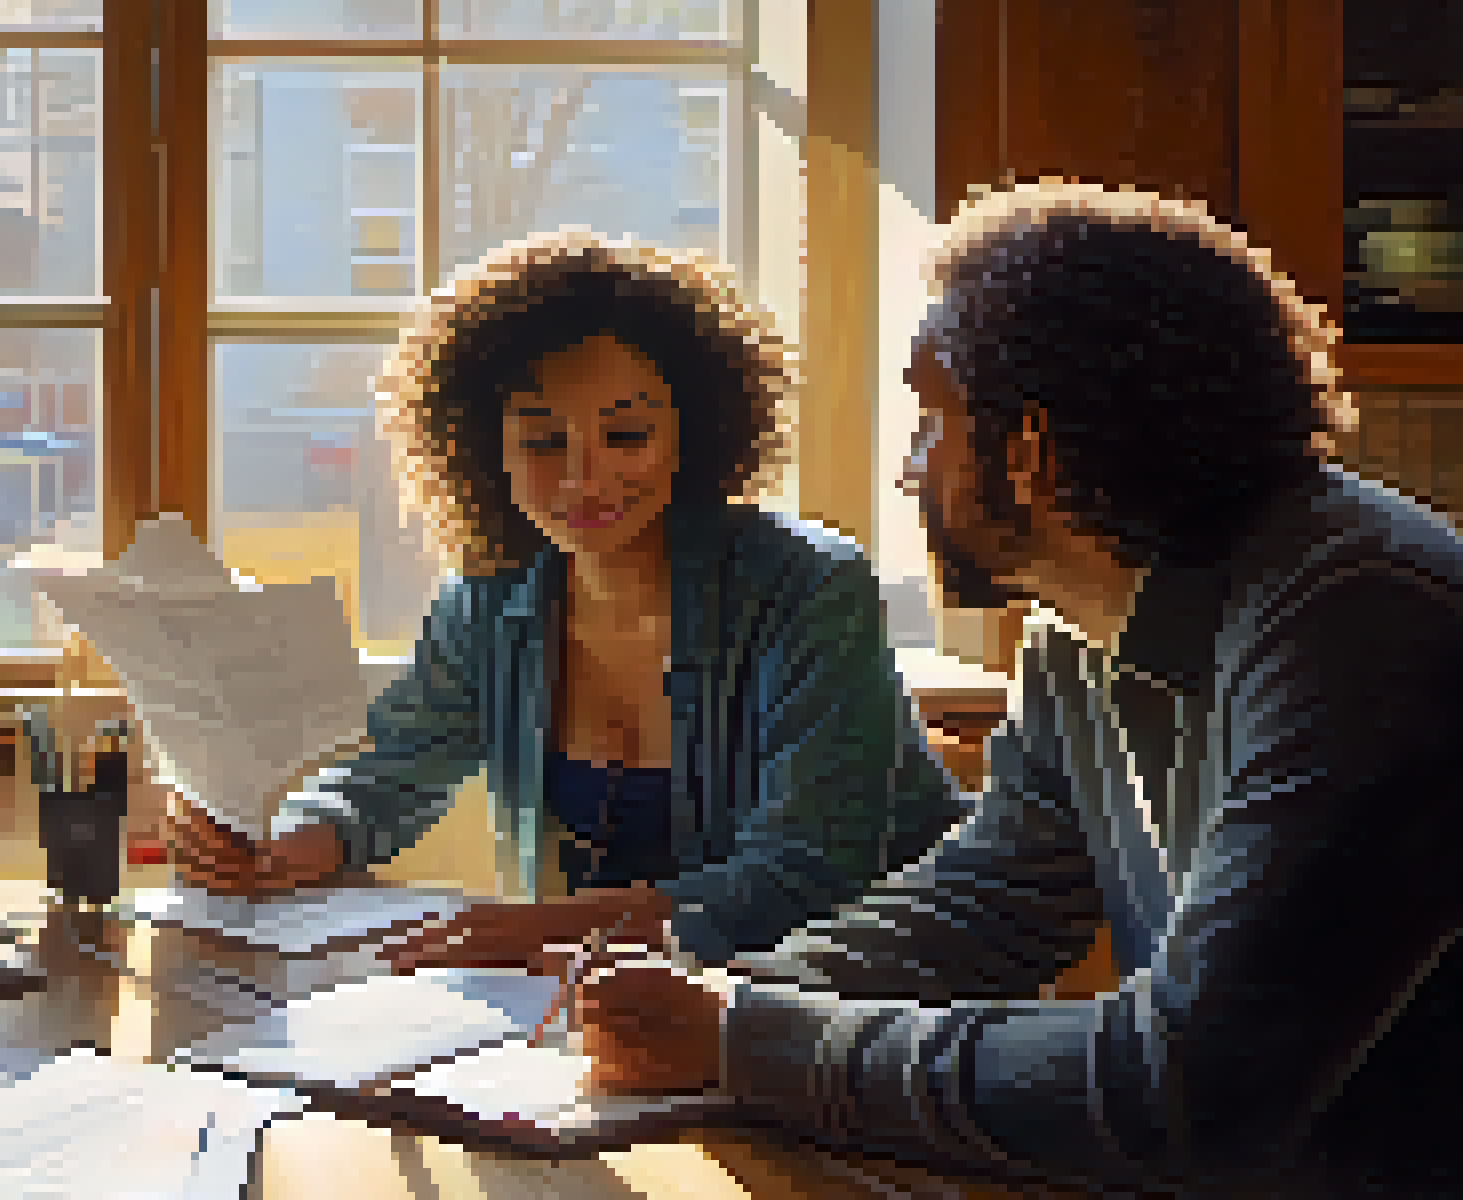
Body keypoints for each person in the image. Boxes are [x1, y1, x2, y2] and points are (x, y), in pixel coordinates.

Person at [564, 183, 1463, 1198]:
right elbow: (994, 900)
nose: (908, 471)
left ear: (1028, 451)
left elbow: (1186, 1090)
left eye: (929, 418)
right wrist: (732, 995)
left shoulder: (1364, 619)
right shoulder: (1081, 623)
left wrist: (748, 1040)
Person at [168, 228, 966, 971]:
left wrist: (534, 930)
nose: (584, 479)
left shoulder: (811, 588)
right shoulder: (486, 597)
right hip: (620, 1015)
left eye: (625, 437)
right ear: (486, 449)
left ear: (693, 431)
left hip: (868, 1012)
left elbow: (806, 876)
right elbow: (392, 770)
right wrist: (290, 843)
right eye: (544, 442)